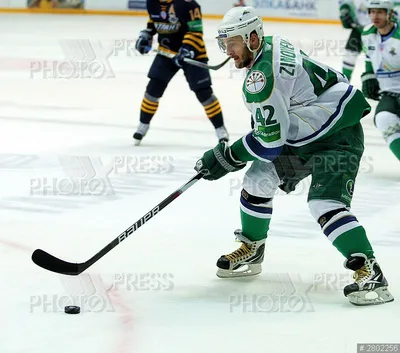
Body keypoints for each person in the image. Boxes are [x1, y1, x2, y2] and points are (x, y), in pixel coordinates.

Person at [194, 6, 394, 306]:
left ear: (251, 38)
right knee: (258, 179)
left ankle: (370, 271)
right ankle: (252, 247)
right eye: (225, 44)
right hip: (306, 131)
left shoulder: (261, 78)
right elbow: (275, 124)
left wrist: (225, 157)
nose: (228, 51)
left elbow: (268, 142)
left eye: (232, 43)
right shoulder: (271, 43)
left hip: (338, 135)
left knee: (324, 203)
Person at [133, 0, 229, 145]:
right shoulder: (152, 2)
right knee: (153, 89)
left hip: (193, 52)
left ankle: (220, 128)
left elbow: (195, 31)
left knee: (204, 93)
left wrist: (186, 50)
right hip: (166, 52)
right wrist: (146, 34)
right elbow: (154, 20)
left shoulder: (189, 4)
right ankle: (143, 124)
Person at [361, 0, 400, 161]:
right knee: (384, 118)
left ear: (390, 13)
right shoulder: (367, 34)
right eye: (372, 11)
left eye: (380, 12)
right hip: (389, 94)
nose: (375, 16)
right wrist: (368, 75)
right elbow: (369, 58)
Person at [339, 0, 371, 81]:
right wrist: (344, 10)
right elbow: (346, 5)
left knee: (373, 57)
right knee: (349, 55)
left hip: (375, 31)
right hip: (358, 30)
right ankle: (345, 81)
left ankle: (373, 81)